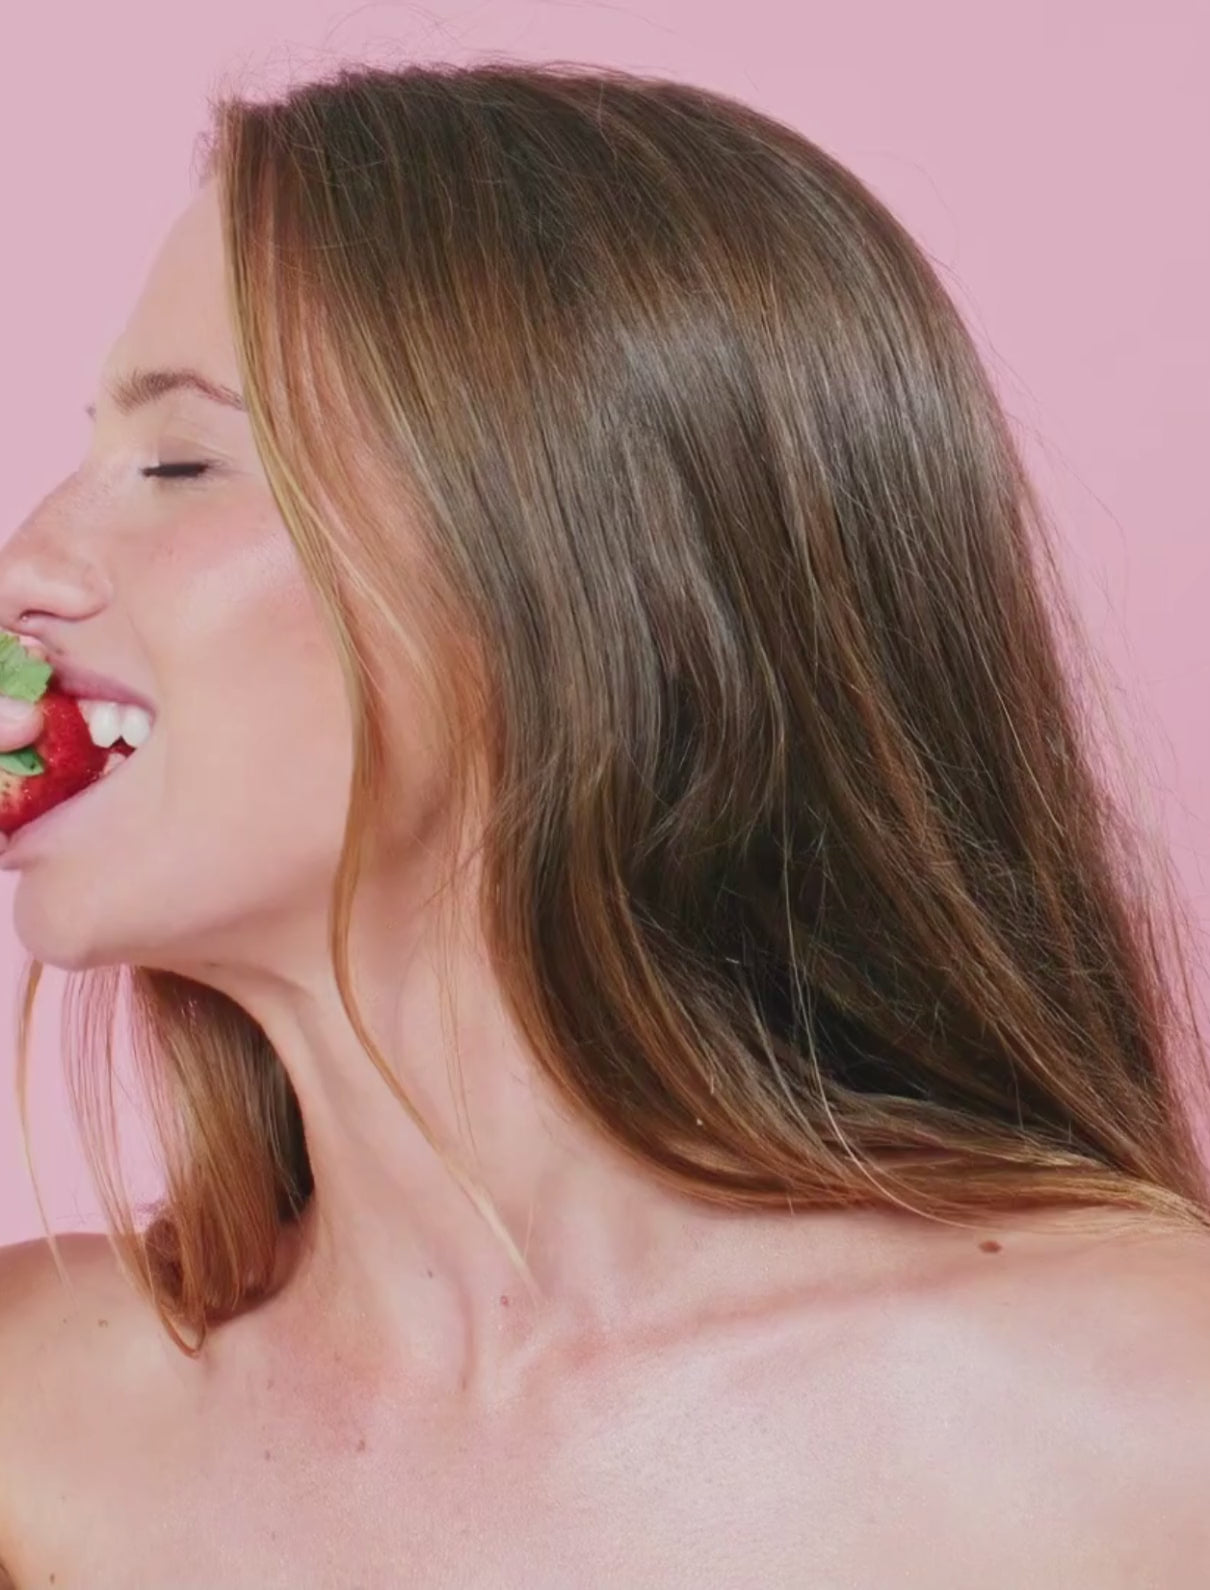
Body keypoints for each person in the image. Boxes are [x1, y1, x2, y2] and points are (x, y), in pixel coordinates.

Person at [0, 60, 1209, 1589]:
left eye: (178, 462)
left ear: (572, 579)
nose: (25, 565)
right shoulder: (36, 1424)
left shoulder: (1143, 1420)